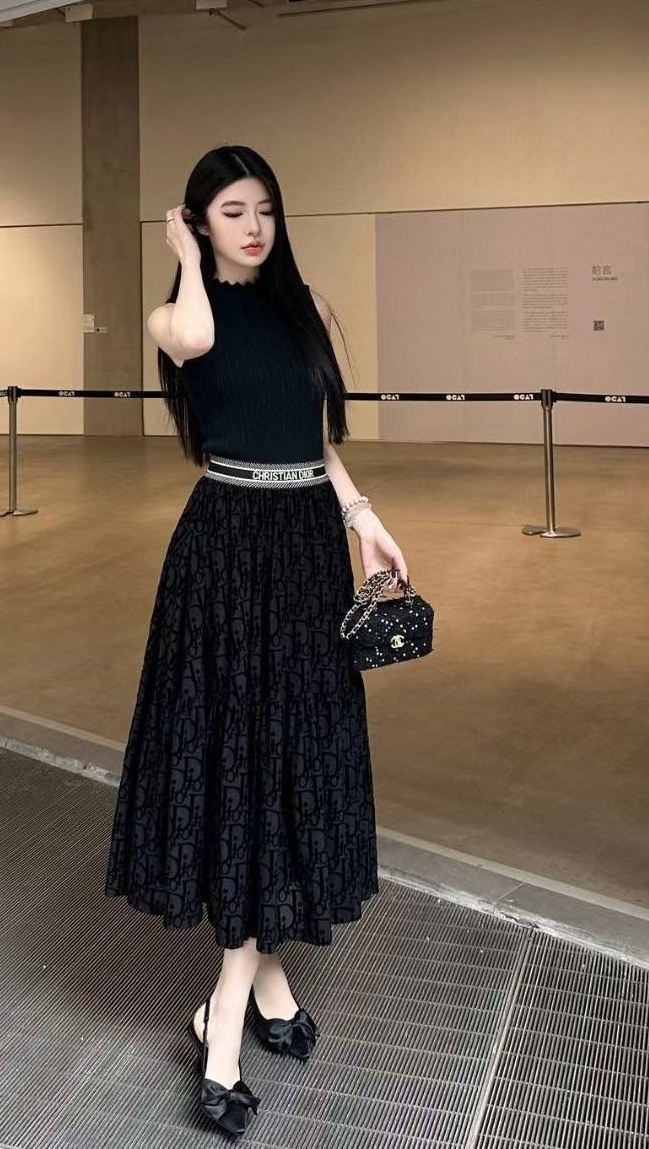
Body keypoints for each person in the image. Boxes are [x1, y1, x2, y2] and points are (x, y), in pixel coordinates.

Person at [104, 144, 408, 1136]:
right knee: (242, 763)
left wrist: (363, 518)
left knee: (285, 759)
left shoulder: (303, 305)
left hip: (305, 547)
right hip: (225, 551)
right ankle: (226, 1025)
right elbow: (194, 333)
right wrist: (186, 259)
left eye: (264, 208)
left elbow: (316, 437)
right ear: (198, 220)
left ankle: (251, 997)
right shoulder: (179, 316)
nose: (253, 226)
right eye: (231, 210)